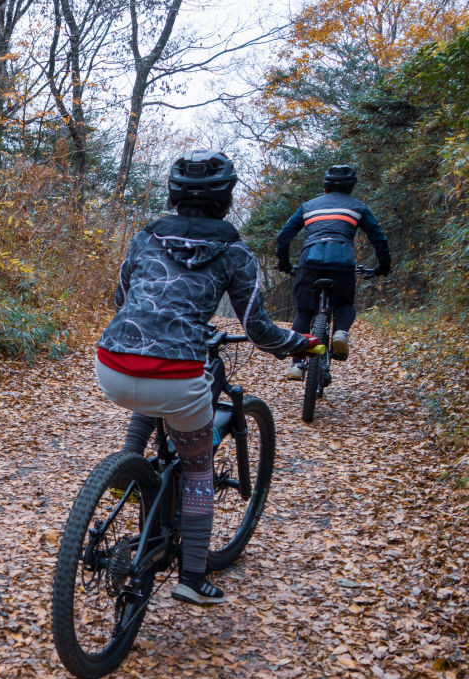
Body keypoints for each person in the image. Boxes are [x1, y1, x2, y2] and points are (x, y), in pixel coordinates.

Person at [95, 150, 318, 606]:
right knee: (197, 469)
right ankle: (193, 577)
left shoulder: (144, 238)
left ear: (174, 194)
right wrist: (305, 344)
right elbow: (261, 332)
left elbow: (121, 298)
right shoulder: (235, 253)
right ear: (227, 197)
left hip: (112, 364)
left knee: (150, 391)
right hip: (177, 376)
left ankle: (128, 467)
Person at [275, 164, 391, 379]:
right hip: (342, 263)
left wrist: (284, 263)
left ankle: (297, 364)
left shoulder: (308, 206)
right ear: (351, 187)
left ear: (325, 186)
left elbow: (284, 237)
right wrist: (383, 267)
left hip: (310, 262)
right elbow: (379, 239)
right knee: (345, 304)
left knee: (304, 312)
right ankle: (340, 332)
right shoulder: (358, 207)